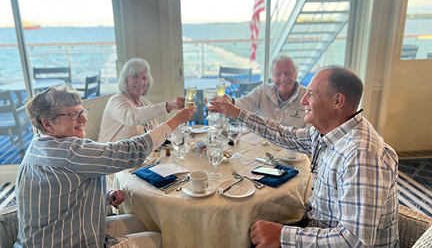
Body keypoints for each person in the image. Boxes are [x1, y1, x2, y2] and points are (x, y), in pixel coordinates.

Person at [211, 65, 399, 247]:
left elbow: (354, 242)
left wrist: (282, 235)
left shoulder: (361, 156)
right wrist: (236, 113)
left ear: (337, 101)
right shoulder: (330, 132)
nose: (303, 100)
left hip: (335, 241)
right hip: (318, 228)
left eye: (312, 94)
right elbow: (284, 135)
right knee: (249, 229)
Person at [15, 86, 195, 248]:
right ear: (47, 124)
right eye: (73, 114)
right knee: (164, 240)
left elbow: (65, 187)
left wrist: (105, 192)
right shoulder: (72, 151)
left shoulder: (37, 145)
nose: (84, 119)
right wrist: (176, 120)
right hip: (72, 241)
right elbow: (133, 150)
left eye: (81, 111)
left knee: (148, 221)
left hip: (47, 237)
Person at [99, 58, 186, 143]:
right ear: (125, 79)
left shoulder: (145, 103)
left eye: (144, 78)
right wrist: (167, 106)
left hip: (135, 155)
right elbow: (131, 117)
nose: (140, 82)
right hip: (111, 155)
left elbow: (152, 134)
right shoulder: (116, 100)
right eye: (135, 76)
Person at [224, 54, 310, 128]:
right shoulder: (263, 90)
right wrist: (231, 101)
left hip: (294, 145)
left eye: (288, 73)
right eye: (278, 74)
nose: (283, 78)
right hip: (263, 144)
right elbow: (246, 103)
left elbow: (311, 132)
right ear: (272, 78)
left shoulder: (308, 97)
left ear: (295, 75)